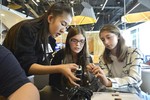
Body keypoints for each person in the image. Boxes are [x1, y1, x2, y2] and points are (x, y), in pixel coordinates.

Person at [3, 1, 80, 86]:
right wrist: (60, 68)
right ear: (50, 18)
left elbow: (43, 66)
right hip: (7, 79)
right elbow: (27, 66)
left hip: (25, 80)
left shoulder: (51, 41)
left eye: (66, 27)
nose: (63, 30)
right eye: (63, 24)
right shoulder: (28, 29)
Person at [87, 24, 150, 100]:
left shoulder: (134, 53)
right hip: (111, 93)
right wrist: (96, 73)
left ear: (118, 36)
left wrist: (109, 82)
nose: (106, 42)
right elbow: (105, 80)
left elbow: (134, 79)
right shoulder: (103, 58)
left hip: (132, 93)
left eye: (108, 37)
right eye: (103, 39)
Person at [49, 26, 101, 92]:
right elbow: (52, 82)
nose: (78, 44)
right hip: (62, 93)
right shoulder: (60, 55)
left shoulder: (88, 58)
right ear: (68, 41)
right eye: (74, 40)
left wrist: (91, 74)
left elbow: (91, 85)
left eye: (81, 41)